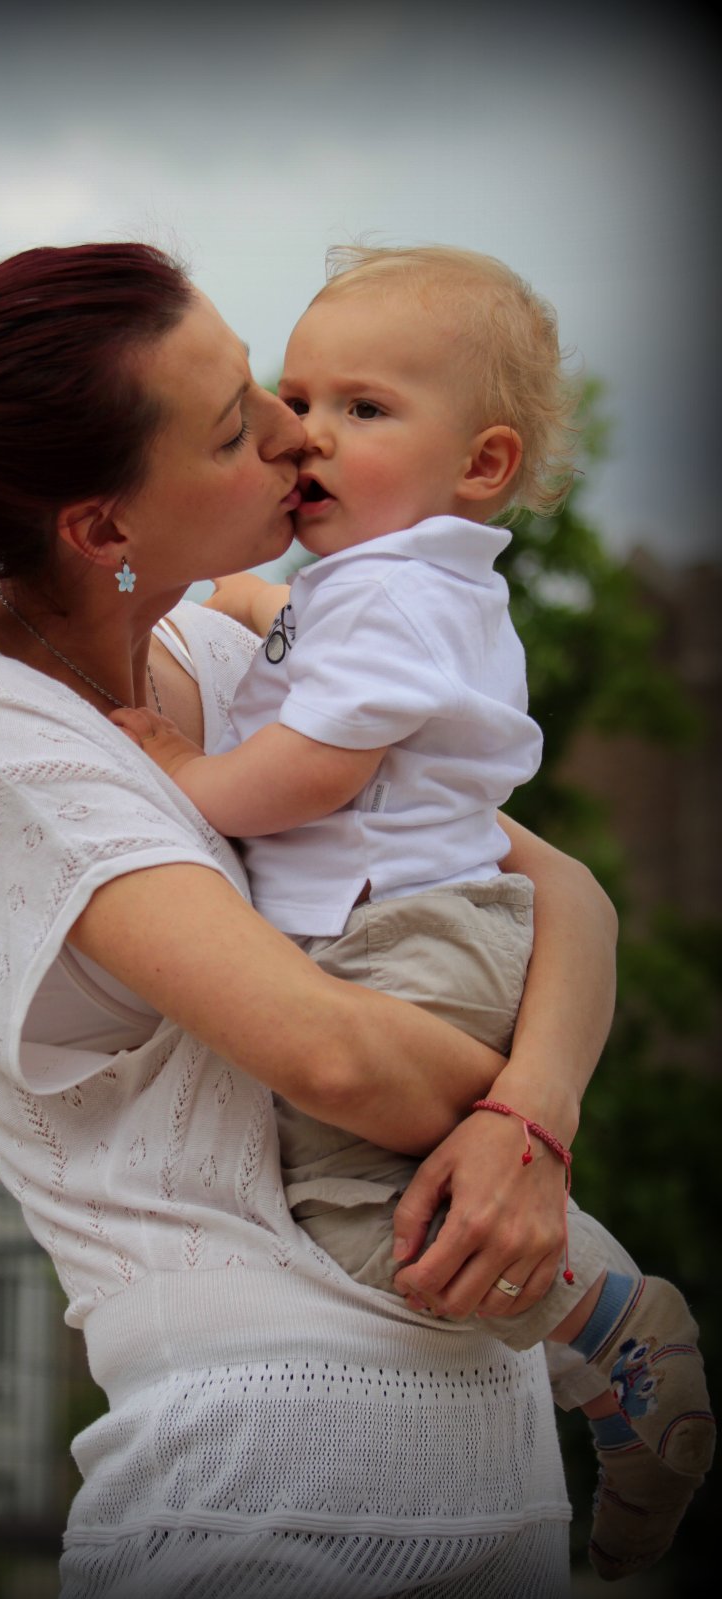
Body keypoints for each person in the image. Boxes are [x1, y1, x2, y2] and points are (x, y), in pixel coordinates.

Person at [0, 239, 623, 1598]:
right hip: (259, 1479)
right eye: (242, 424)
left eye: (268, 388)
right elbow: (337, 1058)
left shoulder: (242, 656)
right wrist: (526, 1109)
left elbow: (569, 894)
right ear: (103, 530)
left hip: (495, 1442)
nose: (298, 436)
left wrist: (531, 1120)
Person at [110, 243, 713, 1580]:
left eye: (365, 408)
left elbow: (319, 765)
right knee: (403, 1182)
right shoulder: (395, 585)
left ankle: (609, 1329)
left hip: (399, 942)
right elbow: (317, 649)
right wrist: (254, 599)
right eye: (299, 398)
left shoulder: (390, 594)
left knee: (363, 1214)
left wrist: (191, 775)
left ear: (482, 464)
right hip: (426, 927)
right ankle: (602, 1344)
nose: (309, 433)